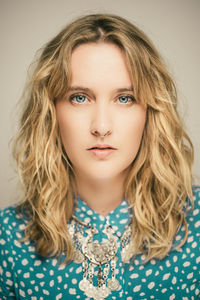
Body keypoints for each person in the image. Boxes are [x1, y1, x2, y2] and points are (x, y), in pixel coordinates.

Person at [0, 13, 199, 300]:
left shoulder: (196, 227)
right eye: (79, 97)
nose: (102, 127)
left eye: (124, 98)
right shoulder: (8, 238)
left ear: (150, 111)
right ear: (51, 111)